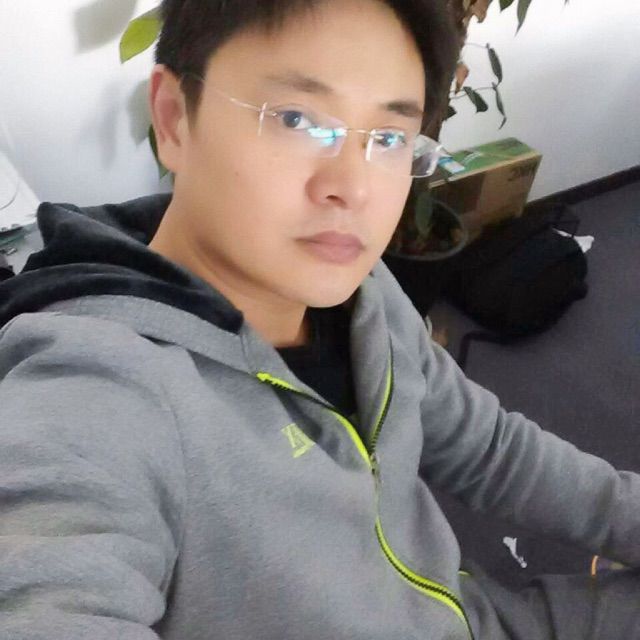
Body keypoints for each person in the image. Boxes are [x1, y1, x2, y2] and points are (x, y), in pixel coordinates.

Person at [0, 0, 638, 638]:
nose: (353, 189)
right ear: (173, 119)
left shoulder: (364, 293)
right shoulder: (96, 391)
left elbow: (490, 450)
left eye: (388, 138)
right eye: (297, 119)